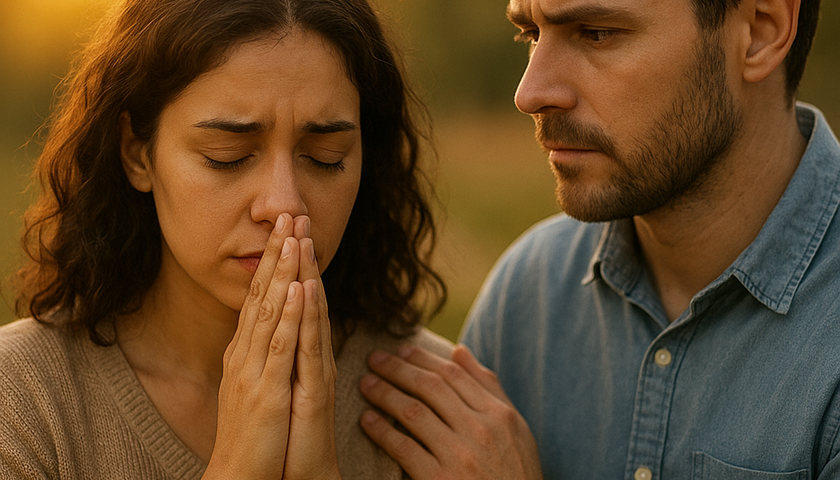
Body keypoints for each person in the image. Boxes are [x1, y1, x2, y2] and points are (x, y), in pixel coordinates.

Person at [359, 0, 840, 478]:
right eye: (530, 34)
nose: (530, 93)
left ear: (760, 31)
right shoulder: (528, 296)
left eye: (596, 33)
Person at [0, 0, 453, 478]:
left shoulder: (429, 405)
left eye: (325, 156)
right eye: (227, 155)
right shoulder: (23, 405)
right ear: (137, 153)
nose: (284, 205)